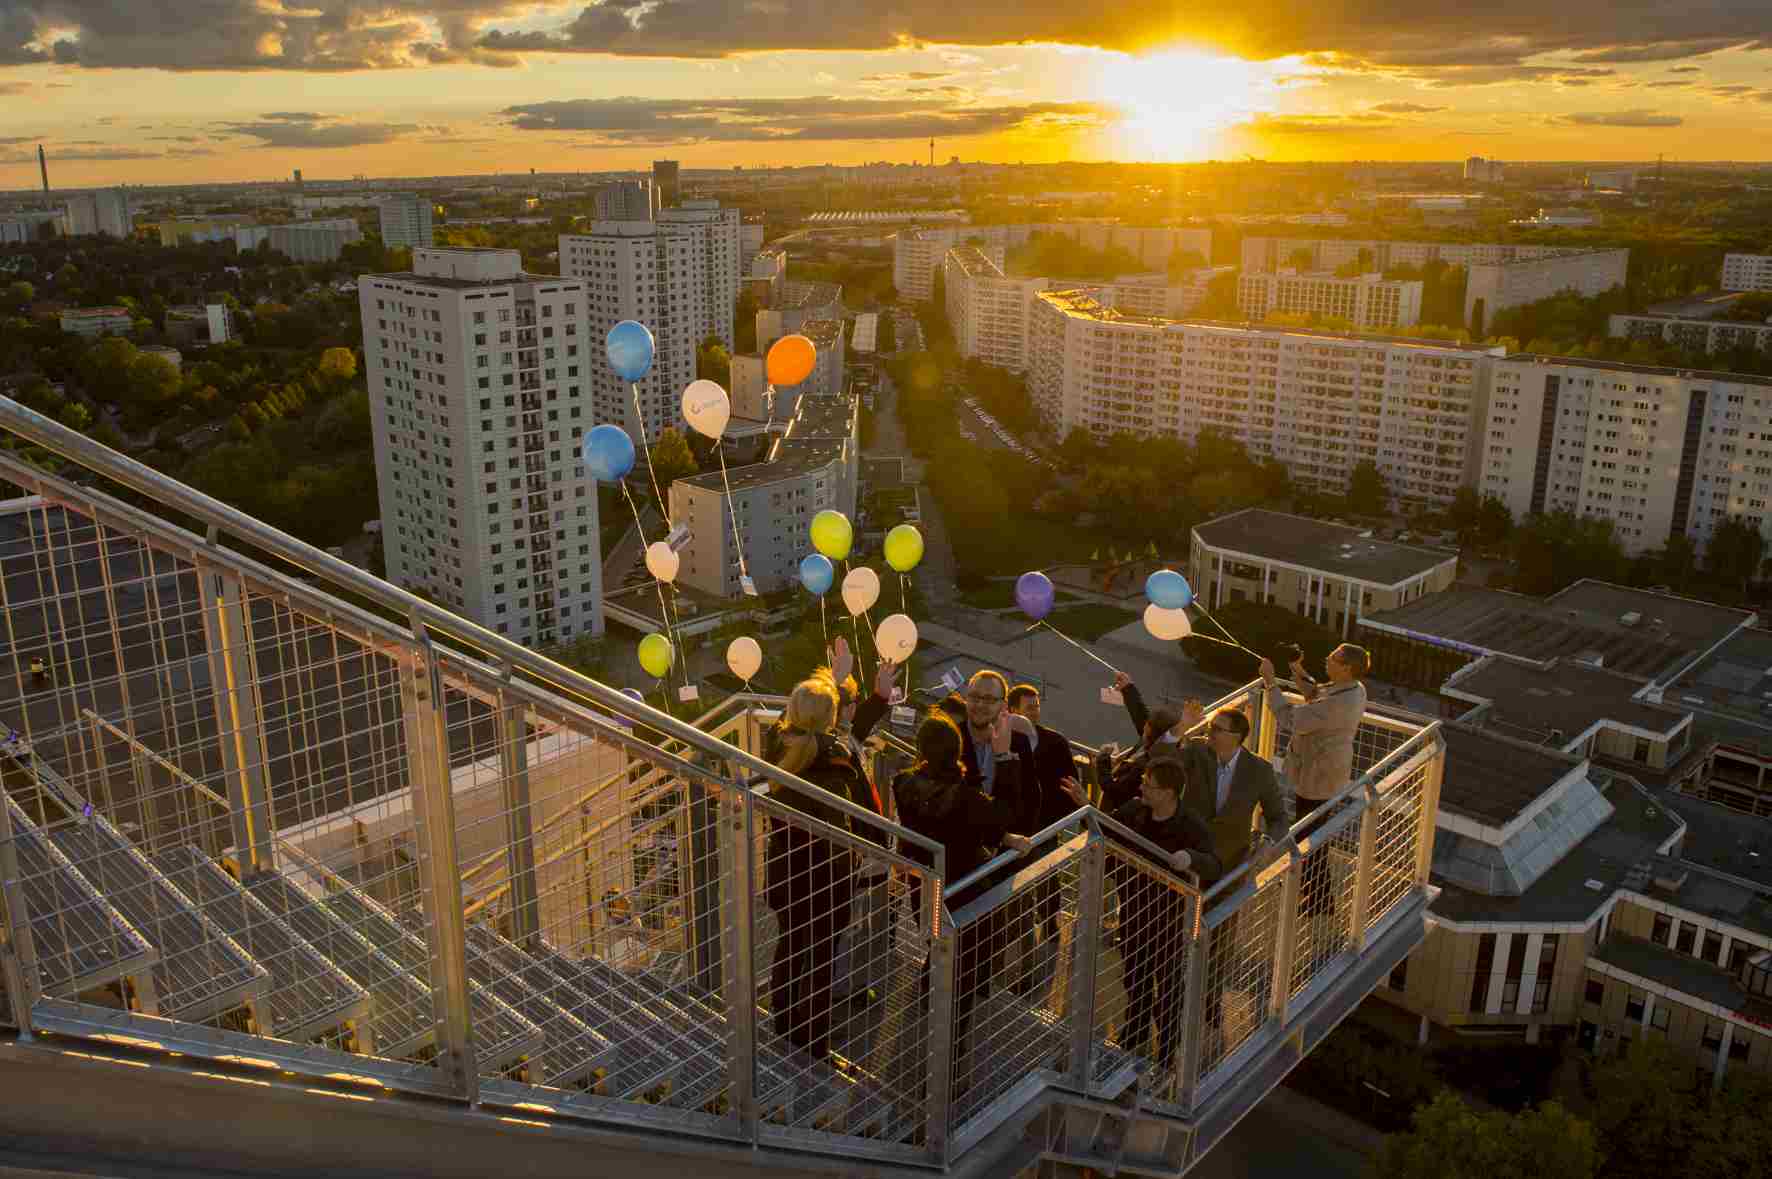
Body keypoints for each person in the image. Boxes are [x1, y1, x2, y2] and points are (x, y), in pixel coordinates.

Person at [892, 710, 1031, 1064]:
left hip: (925, 889)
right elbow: (1005, 812)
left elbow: (978, 824)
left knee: (939, 948)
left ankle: (929, 995)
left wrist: (1000, 833)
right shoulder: (966, 798)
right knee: (963, 978)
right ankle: (949, 1061)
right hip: (968, 897)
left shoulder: (903, 784)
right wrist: (1004, 756)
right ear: (957, 750)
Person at [760, 672, 873, 1058]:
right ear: (832, 719)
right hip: (831, 873)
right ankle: (815, 1043)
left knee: (790, 943)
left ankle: (783, 1024)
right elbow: (865, 816)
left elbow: (793, 723)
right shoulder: (840, 758)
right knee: (822, 957)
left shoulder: (774, 746)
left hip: (786, 868)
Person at [1100, 759, 1221, 1071]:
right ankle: (1135, 1029)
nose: (1142, 788)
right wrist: (1082, 804)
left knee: (1168, 986)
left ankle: (1167, 1051)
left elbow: (1213, 864)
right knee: (1134, 975)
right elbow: (1107, 828)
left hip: (1170, 920)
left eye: (1149, 785)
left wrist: (1189, 858)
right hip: (1134, 910)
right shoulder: (1134, 810)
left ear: (1168, 793)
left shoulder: (1191, 825)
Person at [1259, 644, 1370, 822]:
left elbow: (1290, 719)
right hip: (1329, 770)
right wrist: (1296, 666)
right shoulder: (1355, 688)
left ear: (1346, 668)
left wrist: (1270, 683)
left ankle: (1309, 850)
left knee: (1309, 830)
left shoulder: (1337, 704)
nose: (1327, 659)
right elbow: (1316, 693)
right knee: (1315, 826)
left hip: (1318, 775)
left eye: (1333, 657)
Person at [1009, 682, 1077, 950]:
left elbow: (1070, 781)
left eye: (1037, 706)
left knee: (1048, 876)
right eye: (1029, 707)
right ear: (1012, 709)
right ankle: (1016, 935)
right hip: (1013, 826)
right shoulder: (1001, 739)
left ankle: (1049, 923)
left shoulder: (1055, 742)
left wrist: (1063, 816)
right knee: (1017, 884)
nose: (1035, 712)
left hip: (1046, 823)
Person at [1098, 671, 1194, 812]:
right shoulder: (1158, 744)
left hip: (1119, 815)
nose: (1143, 726)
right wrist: (1128, 688)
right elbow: (1141, 715)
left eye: (1147, 725)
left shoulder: (1145, 765)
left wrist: (1103, 760)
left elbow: (1114, 790)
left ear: (1150, 731)